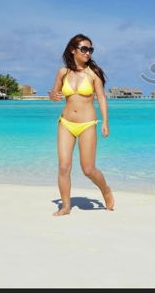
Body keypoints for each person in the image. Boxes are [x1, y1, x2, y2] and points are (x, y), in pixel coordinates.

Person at [49, 34, 114, 216]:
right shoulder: (63, 72)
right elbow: (54, 94)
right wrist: (52, 97)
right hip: (66, 123)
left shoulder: (93, 73)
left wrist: (105, 122)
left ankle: (106, 190)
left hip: (87, 124)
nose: (88, 52)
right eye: (84, 49)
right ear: (73, 50)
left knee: (88, 169)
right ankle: (66, 207)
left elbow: (101, 97)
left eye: (90, 49)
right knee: (63, 166)